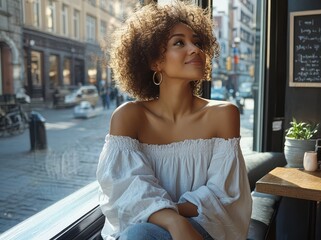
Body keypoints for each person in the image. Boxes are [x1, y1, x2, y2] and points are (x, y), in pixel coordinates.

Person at [96, 2, 252, 240]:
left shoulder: (224, 114)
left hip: (206, 224)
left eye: (197, 42)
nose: (195, 50)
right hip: (146, 224)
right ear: (154, 62)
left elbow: (222, 195)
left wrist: (172, 215)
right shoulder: (129, 117)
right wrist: (172, 221)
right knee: (139, 233)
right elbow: (123, 189)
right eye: (179, 43)